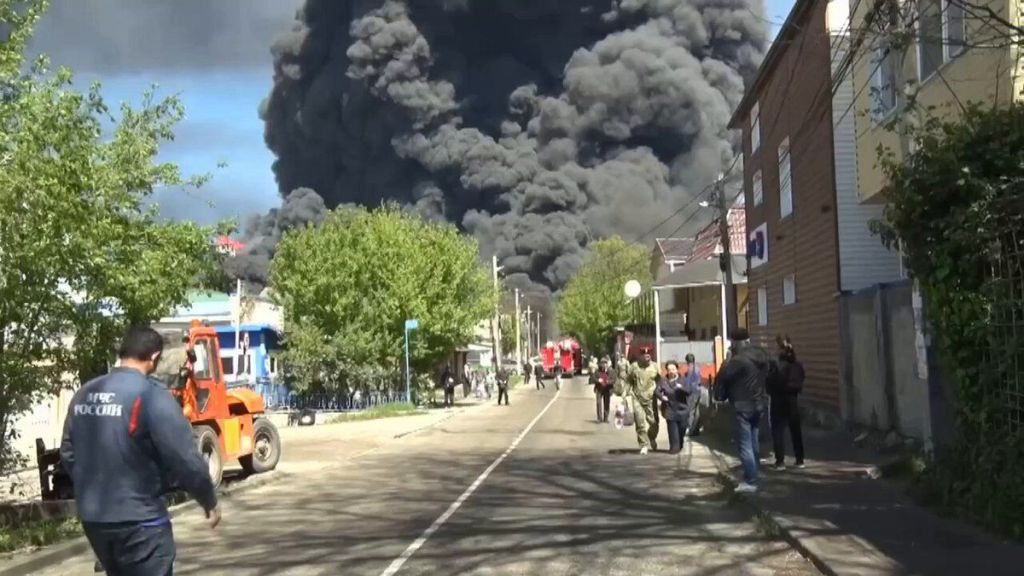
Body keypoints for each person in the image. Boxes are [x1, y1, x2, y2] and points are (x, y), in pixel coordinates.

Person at [61, 326, 221, 576]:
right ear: (154, 357)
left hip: (95, 520)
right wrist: (207, 498)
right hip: (142, 521)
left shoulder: (86, 393)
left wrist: (94, 487)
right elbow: (184, 457)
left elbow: (69, 452)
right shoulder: (151, 395)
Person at [715, 327, 774, 493]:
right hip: (759, 403)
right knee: (754, 441)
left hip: (742, 405)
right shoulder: (762, 356)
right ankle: (754, 472)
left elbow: (723, 377)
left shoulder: (737, 360)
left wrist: (726, 361)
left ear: (735, 342)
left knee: (745, 444)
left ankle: (751, 480)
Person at [768, 335, 806, 470]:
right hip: (793, 400)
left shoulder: (775, 366)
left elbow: (769, 382)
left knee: (778, 431)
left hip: (778, 400)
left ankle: (780, 462)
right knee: (795, 430)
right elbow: (801, 379)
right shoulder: (798, 366)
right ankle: (800, 459)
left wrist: (771, 390)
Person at [657, 360, 701, 454]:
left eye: (673, 369)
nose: (671, 371)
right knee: (672, 430)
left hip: (682, 409)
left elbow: (689, 392)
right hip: (669, 409)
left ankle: (680, 444)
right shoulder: (663, 381)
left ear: (677, 369)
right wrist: (662, 397)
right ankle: (674, 447)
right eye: (669, 369)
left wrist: (681, 388)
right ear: (667, 371)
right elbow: (657, 391)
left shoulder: (683, 380)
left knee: (682, 428)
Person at [625, 347, 661, 455]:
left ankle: (651, 437)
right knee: (639, 422)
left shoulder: (655, 366)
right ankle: (643, 445)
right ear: (640, 355)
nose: (646, 355)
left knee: (654, 422)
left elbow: (660, 381)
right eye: (644, 354)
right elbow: (628, 380)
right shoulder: (634, 366)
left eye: (648, 353)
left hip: (651, 399)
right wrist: (625, 393)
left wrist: (660, 393)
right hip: (637, 398)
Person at [682, 354, 705, 437]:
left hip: (692, 392)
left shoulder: (690, 369)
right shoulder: (697, 368)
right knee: (696, 411)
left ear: (687, 361)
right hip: (698, 391)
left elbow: (688, 383)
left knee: (690, 411)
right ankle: (696, 429)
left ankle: (690, 429)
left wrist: (685, 391)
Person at [589, 356, 616, 423]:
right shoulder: (597, 371)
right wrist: (598, 380)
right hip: (599, 389)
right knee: (598, 403)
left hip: (607, 389)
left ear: (607, 364)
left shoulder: (611, 371)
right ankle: (599, 418)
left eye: (605, 363)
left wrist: (608, 382)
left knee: (606, 403)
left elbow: (614, 379)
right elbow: (593, 378)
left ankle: (606, 418)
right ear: (600, 364)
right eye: (602, 363)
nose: (603, 365)